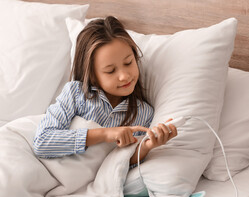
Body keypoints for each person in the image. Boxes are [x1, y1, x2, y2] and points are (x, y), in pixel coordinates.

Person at [33, 16, 177, 168]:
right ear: (93, 76)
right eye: (110, 71)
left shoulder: (143, 113)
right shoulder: (75, 94)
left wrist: (147, 146)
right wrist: (106, 134)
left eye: (128, 63)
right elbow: (42, 142)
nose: (124, 76)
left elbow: (122, 166)